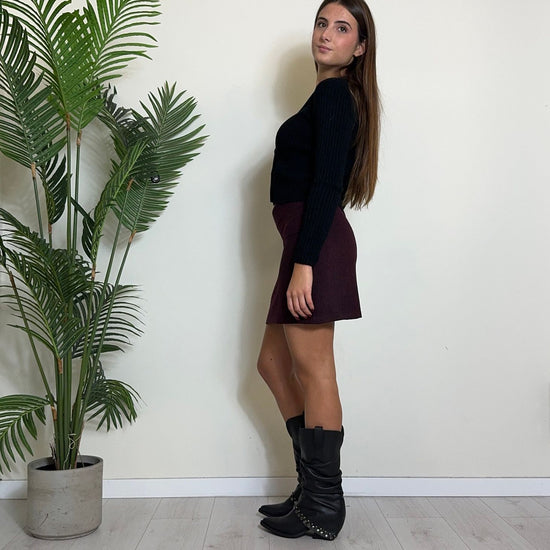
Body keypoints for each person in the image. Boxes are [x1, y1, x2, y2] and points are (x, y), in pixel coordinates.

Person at [256, 0, 381, 541]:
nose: (327, 33)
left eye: (342, 28)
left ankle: (325, 505)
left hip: (316, 242)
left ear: (360, 48)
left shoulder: (335, 95)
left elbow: (327, 184)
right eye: (322, 23)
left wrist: (304, 263)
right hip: (304, 240)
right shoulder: (327, 95)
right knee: (271, 363)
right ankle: (311, 487)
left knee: (315, 369)